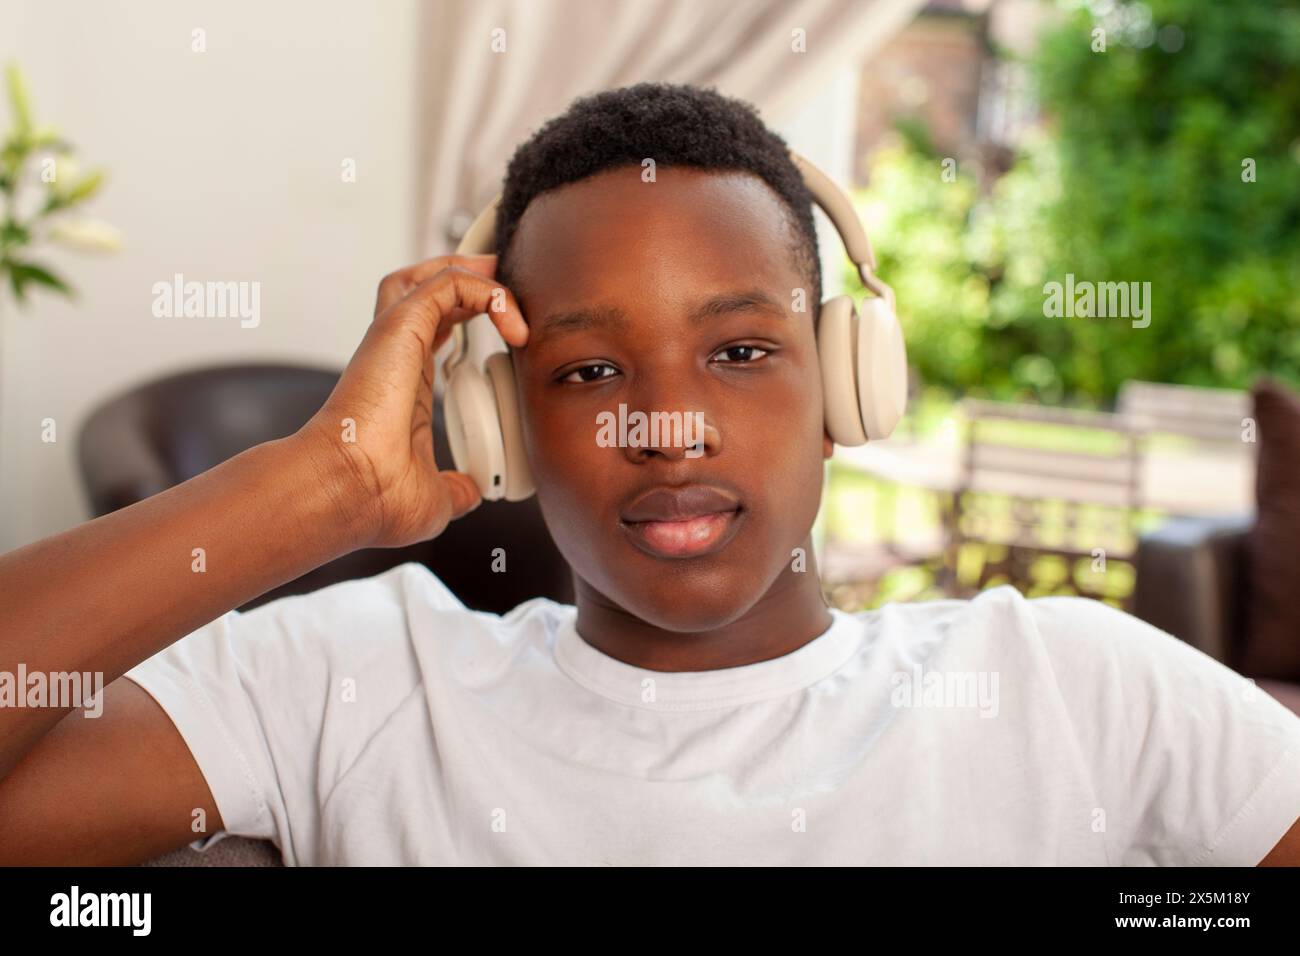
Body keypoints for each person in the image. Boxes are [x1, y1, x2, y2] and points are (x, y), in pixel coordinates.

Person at [1, 83, 1297, 866]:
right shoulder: (352, 684)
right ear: (497, 420)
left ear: (851, 381)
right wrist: (320, 486)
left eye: (739, 349)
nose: (669, 429)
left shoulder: (1074, 687)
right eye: (588, 373)